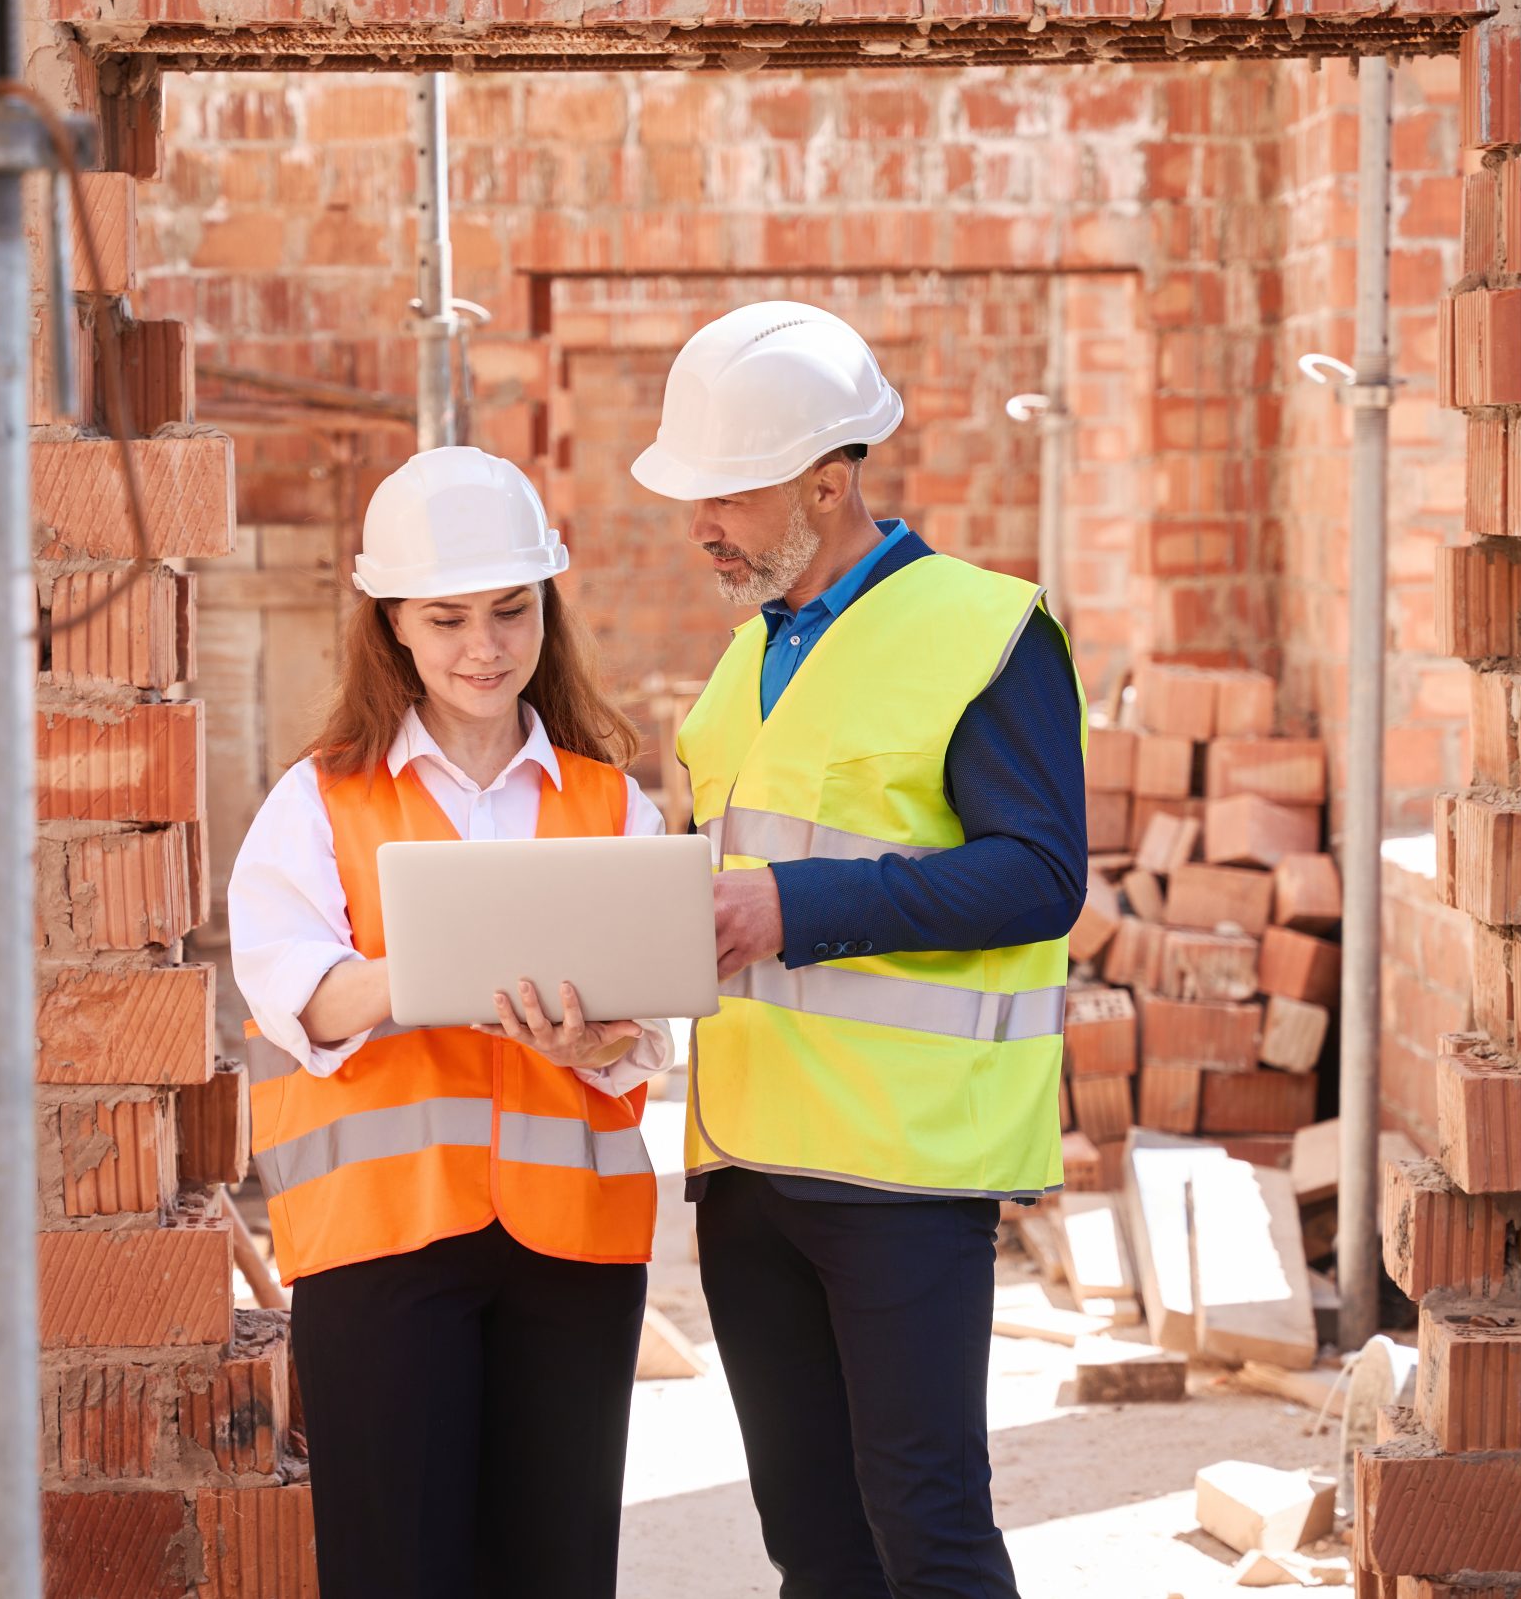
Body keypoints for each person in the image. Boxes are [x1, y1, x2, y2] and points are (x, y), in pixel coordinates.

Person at [632, 302, 1089, 1599]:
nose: (701, 524)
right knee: (815, 1543)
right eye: (695, 496)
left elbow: (1042, 874)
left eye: (728, 491)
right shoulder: (745, 661)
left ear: (828, 478)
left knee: (927, 1527)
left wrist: (797, 904)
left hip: (902, 1164)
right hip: (750, 1161)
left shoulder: (985, 630)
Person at [227, 445, 671, 1599]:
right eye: (448, 619)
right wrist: (443, 962)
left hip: (572, 1249)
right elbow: (296, 995)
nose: (485, 647)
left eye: (511, 612)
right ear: (393, 629)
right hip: (380, 1249)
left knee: (554, 1571)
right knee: (396, 1572)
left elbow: (649, 1030)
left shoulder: (609, 800)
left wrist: (599, 1045)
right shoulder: (318, 799)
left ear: (544, 612)